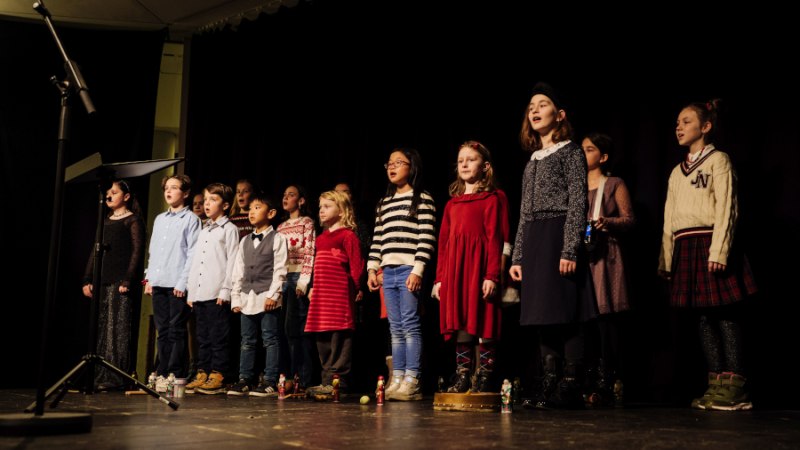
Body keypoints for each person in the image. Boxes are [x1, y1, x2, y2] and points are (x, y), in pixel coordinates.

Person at [658, 99, 757, 411]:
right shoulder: (676, 172)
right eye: (677, 122)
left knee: (724, 313)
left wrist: (720, 250)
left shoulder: (719, 161)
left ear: (706, 126)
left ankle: (735, 383)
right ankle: (715, 381)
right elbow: (669, 218)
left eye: (686, 121)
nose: (679, 127)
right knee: (702, 317)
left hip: (710, 242)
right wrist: (666, 258)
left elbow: (728, 207)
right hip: (686, 245)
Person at [509, 82, 596, 409]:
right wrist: (518, 255)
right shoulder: (532, 159)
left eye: (542, 104)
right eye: (531, 105)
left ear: (559, 115)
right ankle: (549, 380)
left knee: (566, 311)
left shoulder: (571, 151)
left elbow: (577, 202)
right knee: (540, 314)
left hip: (558, 231)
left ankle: (571, 383)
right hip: (533, 236)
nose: (534, 110)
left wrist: (569, 248)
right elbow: (523, 210)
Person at [431, 141, 505, 393]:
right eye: (460, 160)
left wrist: (492, 275)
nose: (463, 164)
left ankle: (485, 375)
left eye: (470, 159)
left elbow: (496, 238)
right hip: (455, 270)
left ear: (485, 167)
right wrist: (439, 279)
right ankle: (462, 374)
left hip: (480, 269)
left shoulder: (492, 199)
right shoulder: (452, 204)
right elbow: (443, 243)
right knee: (460, 320)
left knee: (483, 320)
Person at [367, 147, 436, 401]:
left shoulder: (422, 199)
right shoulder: (384, 203)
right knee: (395, 328)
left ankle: (412, 378)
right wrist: (372, 268)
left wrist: (418, 270)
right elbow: (377, 239)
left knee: (409, 325)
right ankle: (397, 377)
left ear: (412, 167)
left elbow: (426, 237)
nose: (392, 167)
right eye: (389, 163)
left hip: (408, 270)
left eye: (399, 162)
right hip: (388, 271)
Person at [581, 133, 635, 406]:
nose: (583, 153)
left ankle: (607, 379)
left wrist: (608, 222)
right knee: (582, 320)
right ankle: (583, 378)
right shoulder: (575, 185)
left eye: (589, 150)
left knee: (604, 318)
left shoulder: (613, 184)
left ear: (602, 157)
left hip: (605, 257)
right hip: (581, 257)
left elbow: (628, 220)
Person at [82, 179, 145, 390]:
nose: (109, 195)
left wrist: (128, 278)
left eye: (114, 192)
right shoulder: (106, 220)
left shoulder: (132, 220)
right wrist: (87, 278)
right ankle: (101, 376)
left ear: (126, 197)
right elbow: (94, 250)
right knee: (102, 329)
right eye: (108, 192)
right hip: (102, 281)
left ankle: (116, 377)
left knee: (117, 329)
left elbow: (137, 251)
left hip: (120, 282)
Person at [227, 192, 288, 397]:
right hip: (247, 296)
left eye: (257, 208)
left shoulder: (278, 238)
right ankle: (245, 378)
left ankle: (270, 380)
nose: (252, 212)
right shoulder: (244, 241)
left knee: (270, 339)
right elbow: (238, 270)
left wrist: (274, 294)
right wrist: (236, 297)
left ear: (270, 213)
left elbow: (280, 269)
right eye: (251, 208)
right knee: (247, 340)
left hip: (267, 296)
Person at [144, 174, 201, 388]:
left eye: (174, 187)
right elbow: (154, 251)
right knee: (162, 329)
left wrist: (183, 282)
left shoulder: (191, 220)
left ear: (185, 193)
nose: (168, 191)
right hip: (159, 281)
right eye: (166, 187)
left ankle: (177, 372)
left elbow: (192, 253)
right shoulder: (160, 219)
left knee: (176, 328)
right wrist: (149, 278)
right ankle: (162, 370)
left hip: (177, 283)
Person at [305, 190, 364, 395]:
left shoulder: (347, 236)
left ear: (341, 210)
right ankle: (326, 380)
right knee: (323, 340)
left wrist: (358, 288)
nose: (322, 210)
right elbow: (316, 267)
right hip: (322, 299)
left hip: (338, 299)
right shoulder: (321, 239)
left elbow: (357, 266)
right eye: (320, 207)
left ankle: (339, 382)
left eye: (327, 206)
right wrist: (312, 287)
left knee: (339, 339)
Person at [184, 183, 239, 394]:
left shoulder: (230, 229)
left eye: (213, 200)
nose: (207, 204)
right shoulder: (203, 229)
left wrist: (226, 290)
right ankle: (203, 371)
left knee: (219, 336)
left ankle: (219, 372)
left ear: (225, 205)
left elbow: (232, 261)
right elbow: (196, 261)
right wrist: (191, 291)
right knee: (202, 336)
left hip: (217, 292)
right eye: (205, 200)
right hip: (200, 292)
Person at [277, 184, 316, 391]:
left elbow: (310, 251)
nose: (286, 198)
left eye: (291, 195)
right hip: (282, 278)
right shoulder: (281, 227)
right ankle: (289, 376)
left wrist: (303, 281)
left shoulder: (306, 223)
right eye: (284, 195)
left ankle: (304, 377)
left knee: (298, 330)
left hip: (298, 276)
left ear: (301, 200)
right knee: (284, 330)